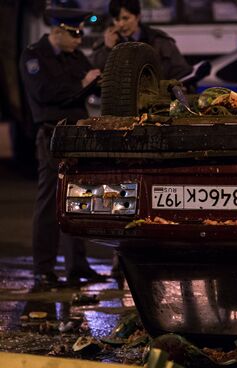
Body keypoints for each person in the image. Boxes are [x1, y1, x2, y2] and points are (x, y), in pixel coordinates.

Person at [19, 7, 105, 289]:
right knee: (48, 202)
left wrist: (95, 80)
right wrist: (81, 83)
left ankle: (77, 265)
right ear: (58, 31)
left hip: (75, 133)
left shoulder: (75, 56)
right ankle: (44, 269)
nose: (80, 39)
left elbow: (88, 87)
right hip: (51, 134)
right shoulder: (34, 56)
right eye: (75, 33)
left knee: (78, 199)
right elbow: (44, 91)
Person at [90, 0, 192, 80]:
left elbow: (182, 73)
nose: (121, 24)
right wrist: (107, 49)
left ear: (138, 17)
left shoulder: (159, 41)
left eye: (126, 18)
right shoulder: (106, 43)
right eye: (117, 19)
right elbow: (91, 73)